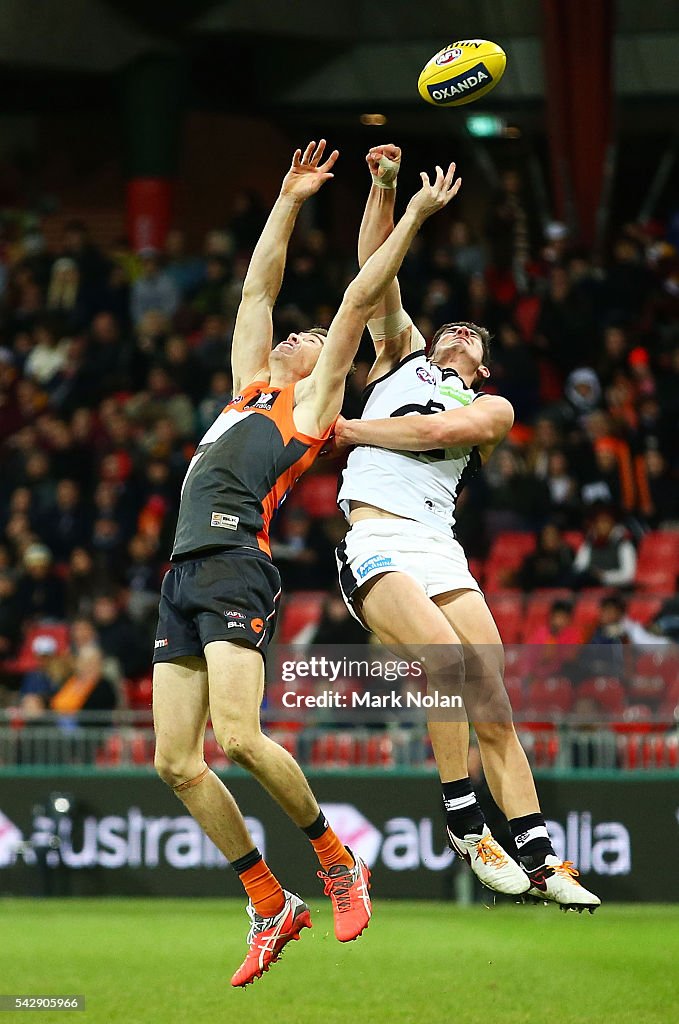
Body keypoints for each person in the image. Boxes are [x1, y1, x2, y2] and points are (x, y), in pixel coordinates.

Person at [151, 139, 462, 987]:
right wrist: (289, 199)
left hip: (234, 562)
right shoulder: (247, 384)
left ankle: (335, 861)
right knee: (175, 762)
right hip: (182, 570)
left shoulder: (314, 402)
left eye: (310, 334)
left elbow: (362, 296)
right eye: (297, 332)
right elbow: (258, 287)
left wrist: (409, 215)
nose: (297, 332)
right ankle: (269, 901)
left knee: (240, 736)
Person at [334, 144, 600, 912]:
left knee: (491, 699)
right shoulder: (400, 356)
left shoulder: (491, 409)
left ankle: (544, 859)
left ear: (481, 366)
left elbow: (425, 437)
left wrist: (352, 430)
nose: (454, 335)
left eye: (469, 338)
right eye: (448, 329)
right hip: (377, 538)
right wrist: (383, 188)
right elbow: (373, 274)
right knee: (446, 663)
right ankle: (463, 821)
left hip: (438, 546)